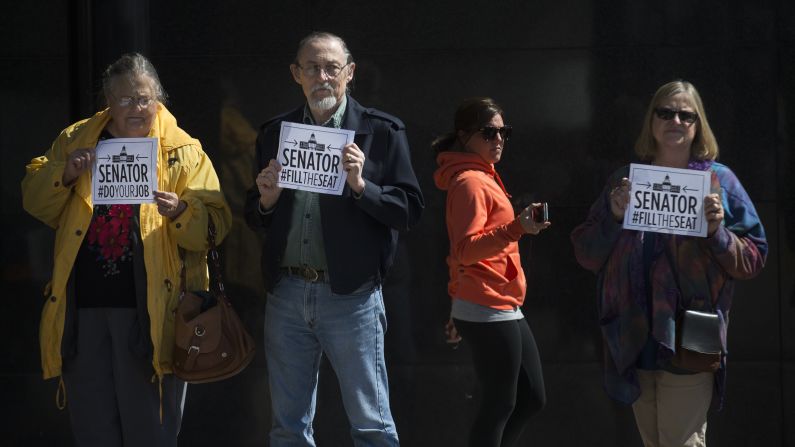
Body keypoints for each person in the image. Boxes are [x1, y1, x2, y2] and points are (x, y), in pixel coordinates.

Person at [21, 53, 232, 446]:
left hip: (154, 313)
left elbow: (217, 225)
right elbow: (34, 200)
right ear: (107, 101)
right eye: (124, 99)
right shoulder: (76, 139)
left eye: (145, 98)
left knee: (150, 431)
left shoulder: (183, 150)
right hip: (83, 312)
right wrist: (65, 174)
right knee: (94, 428)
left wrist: (183, 212)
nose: (137, 108)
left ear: (159, 98)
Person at [244, 31, 424, 446]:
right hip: (287, 294)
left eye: (331, 67)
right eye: (312, 68)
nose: (322, 76)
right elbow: (254, 213)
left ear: (350, 73)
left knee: (371, 424)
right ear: (296, 74)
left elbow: (410, 210)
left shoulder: (382, 132)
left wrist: (363, 186)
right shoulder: (275, 133)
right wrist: (266, 202)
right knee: (288, 427)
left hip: (351, 297)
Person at [570, 80, 767, 447]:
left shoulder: (719, 182)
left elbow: (753, 258)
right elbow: (586, 253)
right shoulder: (626, 181)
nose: (675, 120)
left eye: (685, 114)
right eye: (665, 112)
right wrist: (614, 216)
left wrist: (717, 232)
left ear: (698, 125)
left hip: (689, 340)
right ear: (652, 122)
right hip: (632, 338)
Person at [433, 97, 548, 447]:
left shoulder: (483, 176)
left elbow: (459, 256)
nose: (499, 139)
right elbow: (465, 250)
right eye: (489, 132)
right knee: (501, 403)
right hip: (487, 305)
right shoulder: (470, 182)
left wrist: (456, 304)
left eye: (504, 132)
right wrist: (518, 228)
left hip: (497, 302)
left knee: (530, 398)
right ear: (465, 135)